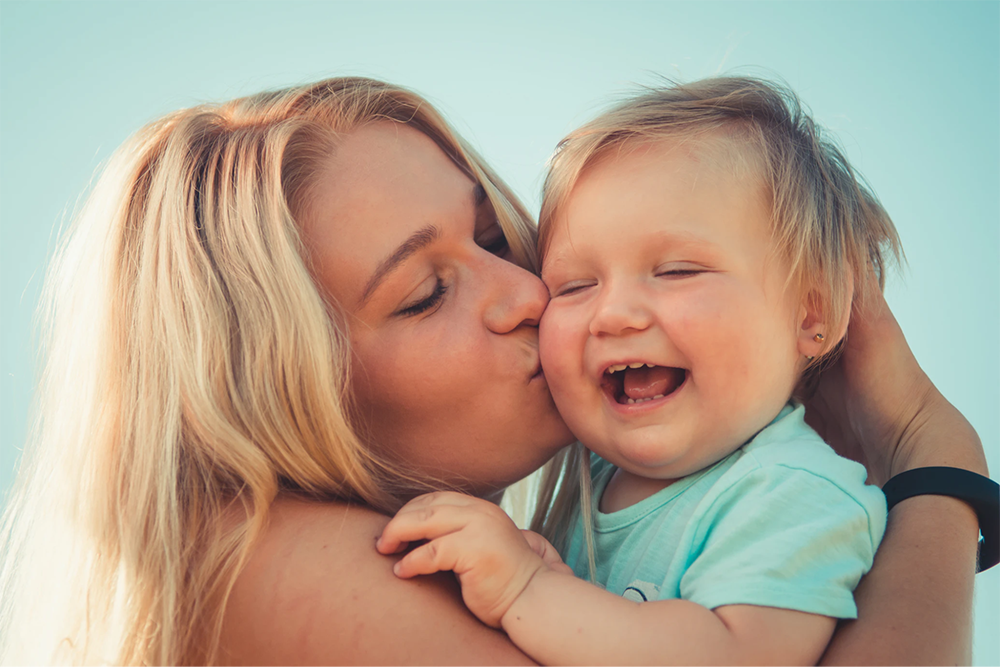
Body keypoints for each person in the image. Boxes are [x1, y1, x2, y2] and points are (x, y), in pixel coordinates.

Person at [0, 77, 987, 667]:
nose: (526, 292)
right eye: (425, 293)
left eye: (489, 235)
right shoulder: (271, 559)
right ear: (270, 388)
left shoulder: (629, 506)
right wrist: (937, 468)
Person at [376, 77, 900, 667]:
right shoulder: (588, 478)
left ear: (812, 314)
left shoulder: (795, 489)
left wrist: (528, 589)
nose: (615, 315)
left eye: (676, 271)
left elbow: (736, 655)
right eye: (574, 286)